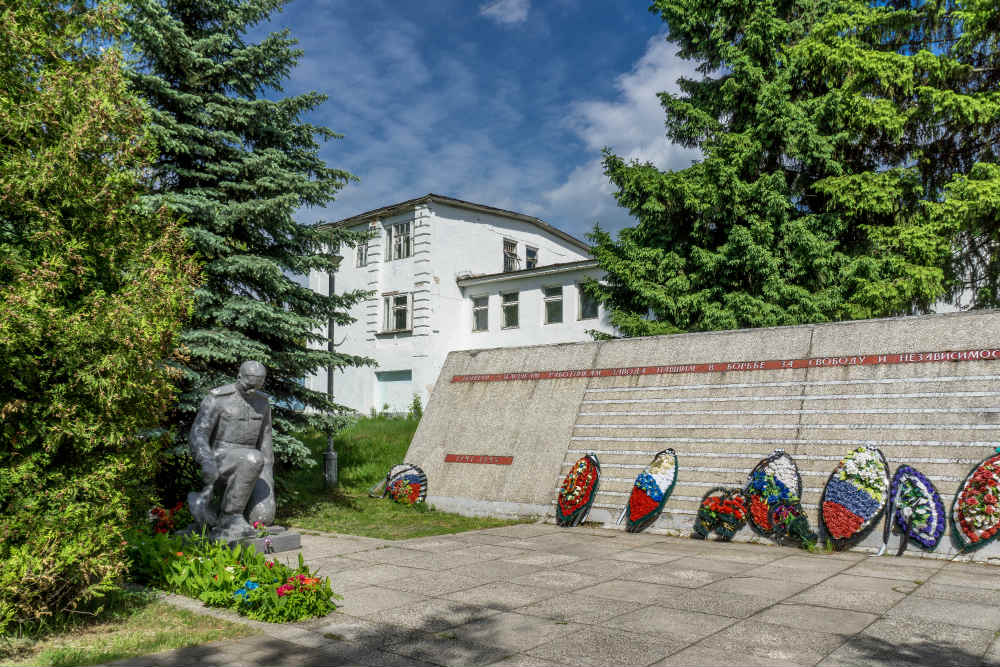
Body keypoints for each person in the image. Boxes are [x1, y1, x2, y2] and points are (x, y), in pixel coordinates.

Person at [187, 360, 275, 539]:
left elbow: (266, 443)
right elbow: (198, 434)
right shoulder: (218, 398)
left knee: (263, 517)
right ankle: (230, 517)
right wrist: (206, 461)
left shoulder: (262, 402)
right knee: (252, 458)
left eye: (257, 386)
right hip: (221, 455)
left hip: (253, 459)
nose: (252, 391)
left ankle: (223, 510)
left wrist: (268, 479)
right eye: (248, 385)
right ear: (239, 377)